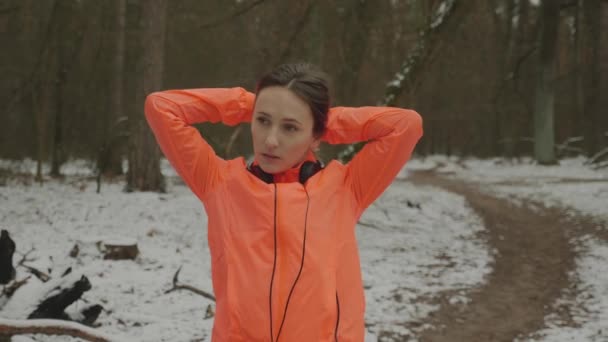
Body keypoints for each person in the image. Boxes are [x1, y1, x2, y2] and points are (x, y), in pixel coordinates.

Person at [145, 63, 423, 342]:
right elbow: (162, 107)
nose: (271, 140)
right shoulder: (220, 184)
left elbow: (405, 125)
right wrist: (251, 104)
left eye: (290, 127)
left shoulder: (346, 189)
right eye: (262, 121)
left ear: (316, 135)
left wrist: (323, 120)